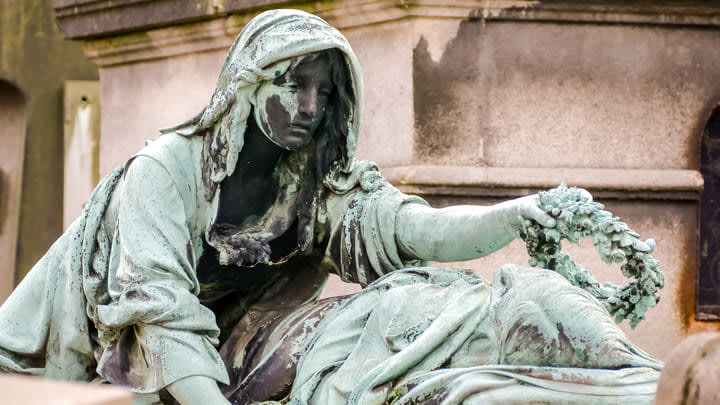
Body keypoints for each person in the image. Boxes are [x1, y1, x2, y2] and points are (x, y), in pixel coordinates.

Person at [0, 9, 661, 405]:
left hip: (231, 345)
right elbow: (165, 322)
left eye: (321, 89)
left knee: (416, 305)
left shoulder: (312, 179)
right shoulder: (165, 173)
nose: (310, 106)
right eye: (293, 84)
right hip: (97, 357)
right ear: (247, 87)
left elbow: (408, 229)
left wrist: (515, 216)